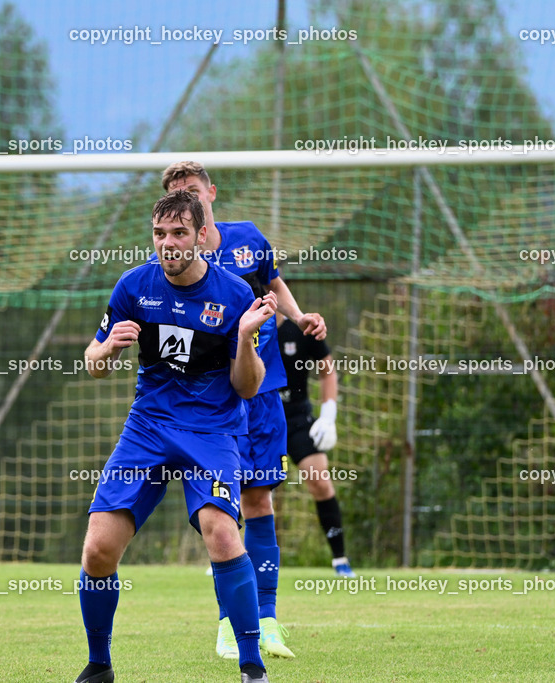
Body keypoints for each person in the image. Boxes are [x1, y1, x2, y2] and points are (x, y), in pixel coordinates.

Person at [75, 190, 275, 683]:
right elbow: (91, 363)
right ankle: (99, 665)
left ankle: (253, 668)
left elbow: (246, 386)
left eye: (179, 234)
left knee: (223, 533)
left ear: (202, 236)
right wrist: (107, 352)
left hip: (212, 431)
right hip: (148, 427)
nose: (168, 244)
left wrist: (246, 338)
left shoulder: (235, 297)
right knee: (98, 550)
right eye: (160, 234)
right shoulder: (133, 286)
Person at [160, 161, 327, 661]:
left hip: (264, 393)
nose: (188, 198)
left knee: (260, 503)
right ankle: (229, 626)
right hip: (213, 405)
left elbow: (273, 284)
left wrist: (300, 318)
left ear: (210, 193)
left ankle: (269, 620)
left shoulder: (249, 239)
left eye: (192, 190)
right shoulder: (173, 265)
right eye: (176, 194)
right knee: (221, 512)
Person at [277, 311, 355, 577]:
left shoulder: (301, 328)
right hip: (257, 419)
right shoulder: (243, 328)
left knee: (320, 480)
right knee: (244, 485)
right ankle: (226, 557)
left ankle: (340, 559)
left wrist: (329, 414)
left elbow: (327, 370)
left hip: (297, 419)